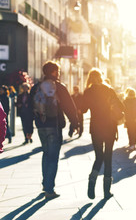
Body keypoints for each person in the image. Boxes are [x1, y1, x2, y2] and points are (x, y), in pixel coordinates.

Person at [30, 61, 79, 200]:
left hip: (41, 125)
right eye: (57, 71)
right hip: (54, 126)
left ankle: (45, 184)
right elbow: (69, 107)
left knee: (46, 154)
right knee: (53, 157)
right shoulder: (59, 87)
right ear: (53, 72)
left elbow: (28, 107)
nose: (58, 73)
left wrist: (29, 128)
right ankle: (49, 189)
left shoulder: (36, 87)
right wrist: (74, 123)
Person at [82, 68, 125, 199]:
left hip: (96, 128)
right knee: (108, 158)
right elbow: (122, 107)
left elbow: (83, 109)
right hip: (110, 127)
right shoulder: (109, 90)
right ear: (101, 77)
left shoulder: (88, 91)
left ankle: (91, 181)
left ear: (90, 78)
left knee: (98, 157)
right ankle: (107, 191)